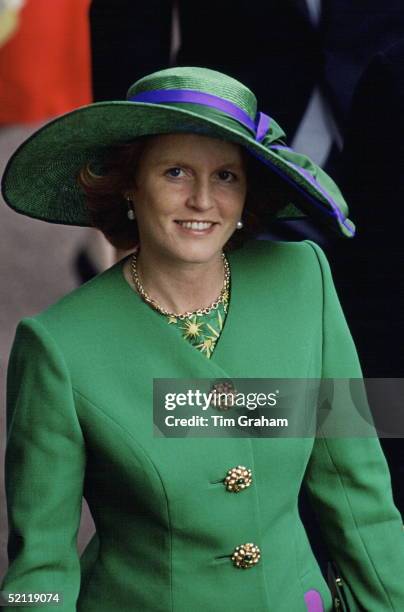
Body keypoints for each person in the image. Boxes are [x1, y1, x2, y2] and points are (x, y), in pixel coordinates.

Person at [1, 66, 404, 612]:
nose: (202, 200)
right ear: (129, 183)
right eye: (175, 172)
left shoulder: (303, 280)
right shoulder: (57, 347)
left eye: (226, 177)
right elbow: (40, 571)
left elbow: (359, 491)